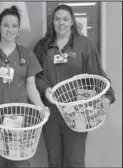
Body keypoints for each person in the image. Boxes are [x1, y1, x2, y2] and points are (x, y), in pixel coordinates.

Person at [33, 4, 116, 168]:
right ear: (52, 22)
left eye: (65, 19)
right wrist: (45, 89)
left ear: (72, 22)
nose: (61, 23)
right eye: (57, 19)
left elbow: (96, 73)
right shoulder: (43, 46)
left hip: (78, 111)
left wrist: (107, 96)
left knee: (75, 160)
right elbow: (35, 76)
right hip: (52, 110)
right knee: (54, 159)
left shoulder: (84, 44)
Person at [0, 6, 47, 168]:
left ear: (18, 29)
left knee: (20, 162)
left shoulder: (27, 55)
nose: (10, 29)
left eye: (14, 25)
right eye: (6, 25)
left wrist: (41, 107)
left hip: (21, 118)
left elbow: (31, 86)